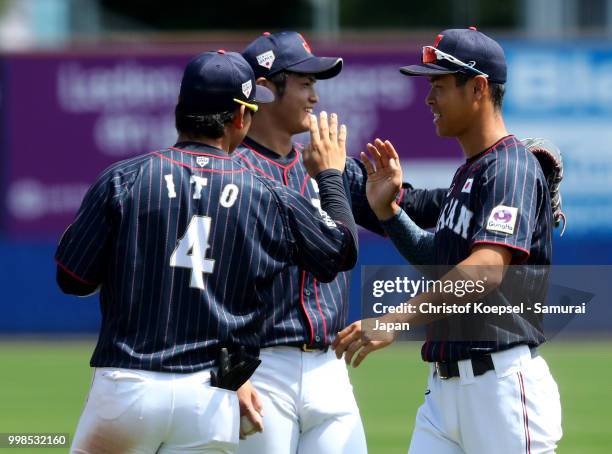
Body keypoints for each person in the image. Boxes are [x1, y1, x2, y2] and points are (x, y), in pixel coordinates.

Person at [55, 49, 359, 454]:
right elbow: (340, 251)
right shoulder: (266, 193)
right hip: (211, 395)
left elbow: (72, 280)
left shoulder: (123, 180)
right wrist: (332, 178)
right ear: (239, 118)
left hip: (127, 387)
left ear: (180, 107)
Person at [333, 28, 563, 453]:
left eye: (438, 85)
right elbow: (435, 257)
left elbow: (483, 271)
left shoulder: (510, 168)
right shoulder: (471, 174)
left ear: (477, 87)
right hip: (444, 394)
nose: (428, 98)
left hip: (501, 391)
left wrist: (394, 321)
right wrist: (387, 212)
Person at [234, 31, 446, 454]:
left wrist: (488, 187)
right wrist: (232, 373)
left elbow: (416, 205)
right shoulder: (230, 171)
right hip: (259, 365)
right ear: (263, 90)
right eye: (305, 83)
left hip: (329, 367)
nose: (315, 97)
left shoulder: (326, 164)